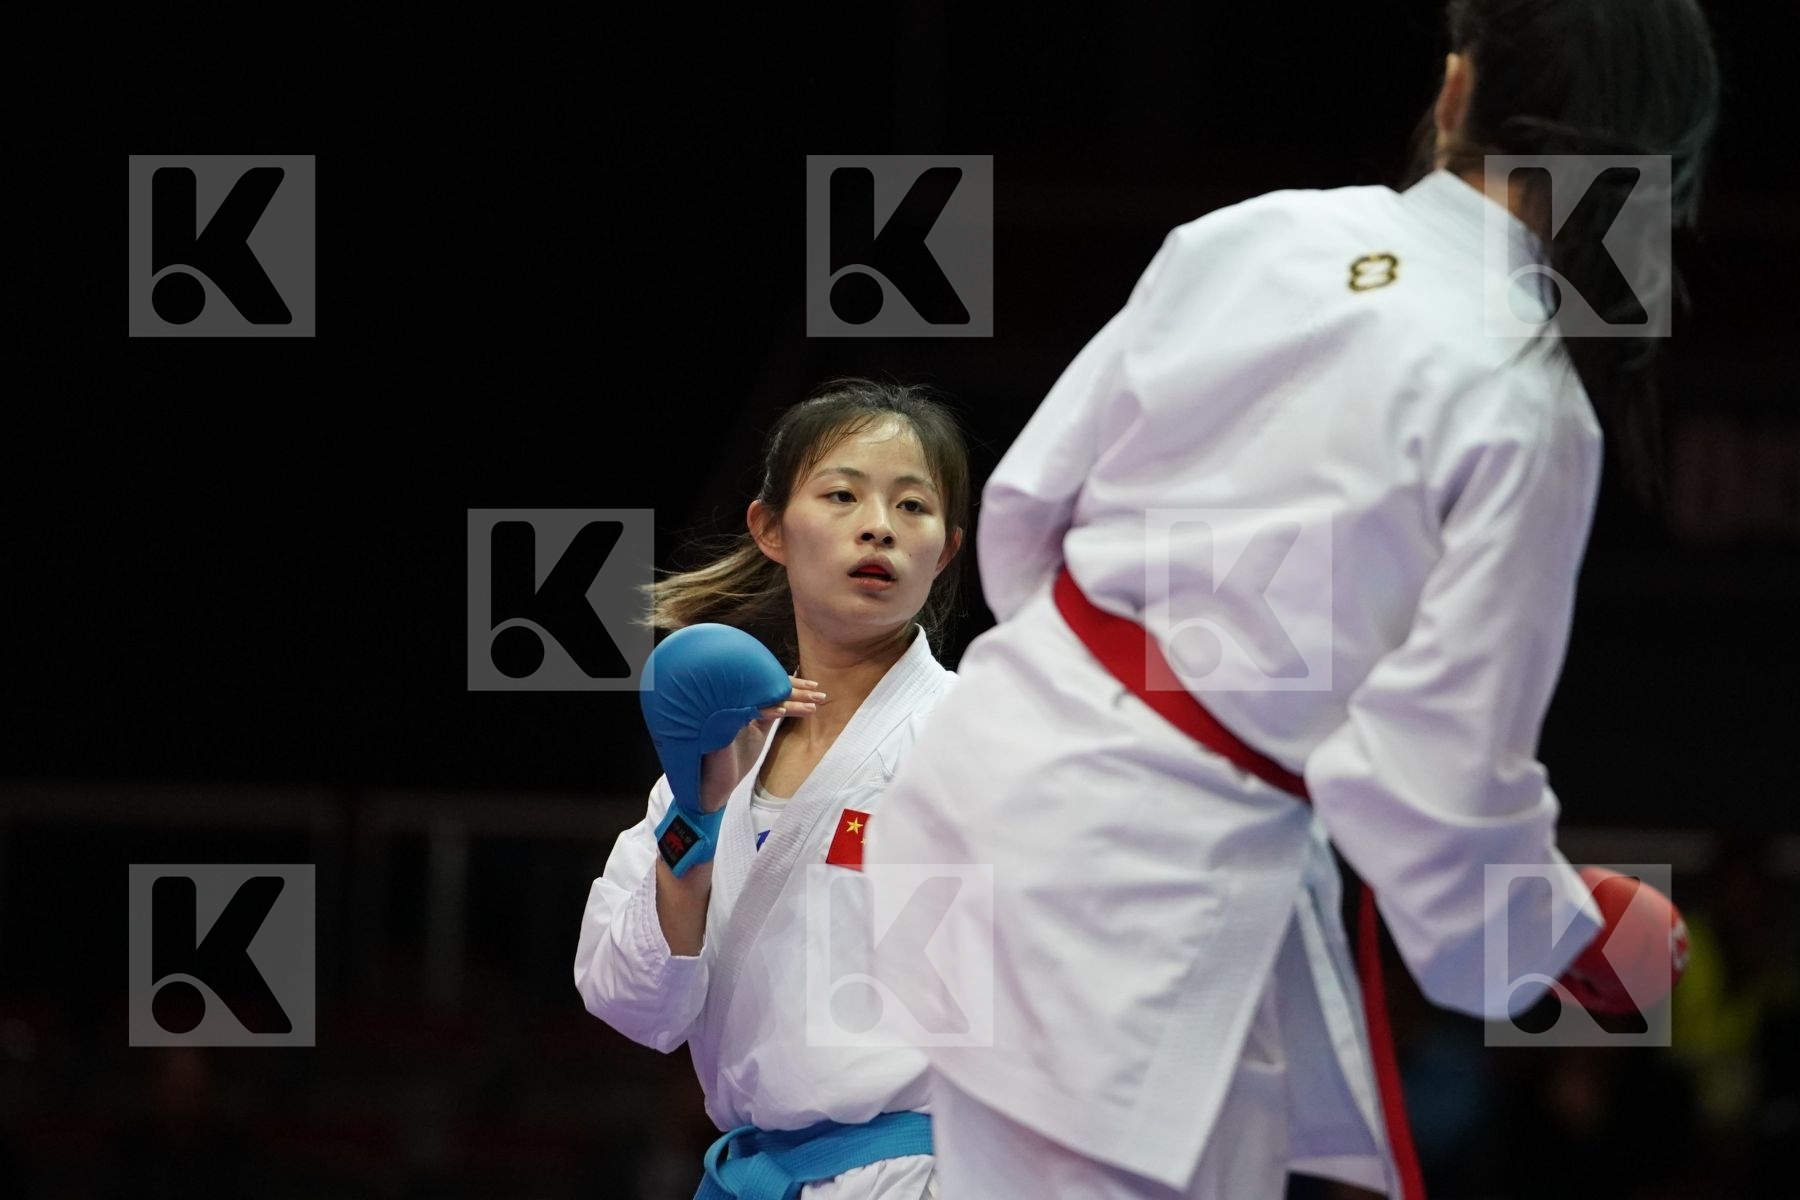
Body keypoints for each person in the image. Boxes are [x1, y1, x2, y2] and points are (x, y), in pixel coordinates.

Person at [862, 2, 1721, 1197]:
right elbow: (1422, 784)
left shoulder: (1258, 236)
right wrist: (1563, 936)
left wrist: (1138, 700)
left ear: (1459, 92)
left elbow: (1024, 513)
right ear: (1650, 183)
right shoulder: (1527, 404)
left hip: (982, 796)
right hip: (1129, 904)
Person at [574, 378, 969, 1198]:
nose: (878, 527)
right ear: (770, 529)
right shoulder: (724, 757)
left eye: (912, 507)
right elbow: (633, 1002)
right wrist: (697, 811)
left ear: (947, 547)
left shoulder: (976, 735)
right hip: (754, 1173)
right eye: (841, 494)